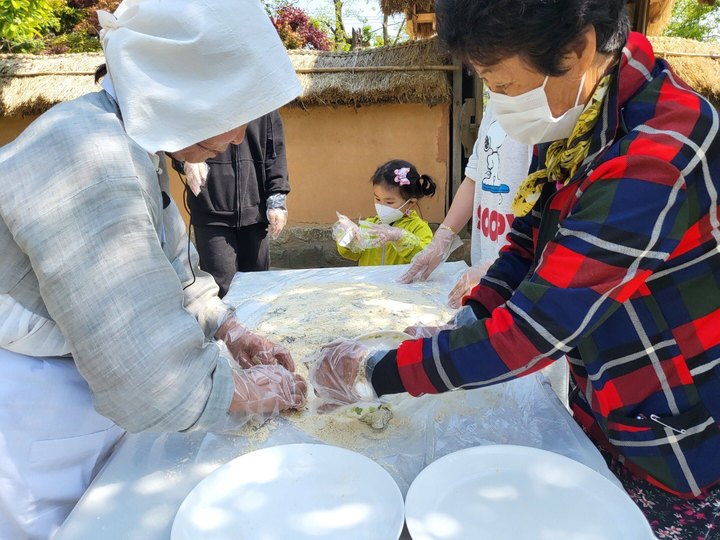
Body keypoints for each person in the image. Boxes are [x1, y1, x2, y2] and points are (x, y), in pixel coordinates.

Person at [310, 0, 720, 535]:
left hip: (673, 424)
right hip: (605, 395)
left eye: (502, 85)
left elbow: (535, 330)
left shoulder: (658, 148)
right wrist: (468, 318)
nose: (499, 105)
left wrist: (372, 373)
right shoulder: (585, 116)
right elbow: (528, 244)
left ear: (579, 50)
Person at [0, 1, 308, 537]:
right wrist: (251, 392)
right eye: (235, 113)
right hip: (31, 405)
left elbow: (174, 268)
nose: (239, 137)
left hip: (72, 382)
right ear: (182, 87)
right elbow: (143, 371)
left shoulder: (124, 140)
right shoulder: (88, 156)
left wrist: (229, 329)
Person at [400, 108, 532, 307]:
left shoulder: (545, 114)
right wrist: (442, 239)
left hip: (523, 272)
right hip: (486, 267)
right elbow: (473, 178)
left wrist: (499, 267)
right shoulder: (493, 108)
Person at [171, 111, 290, 297]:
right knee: (221, 289)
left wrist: (277, 197)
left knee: (258, 290)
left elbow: (275, 153)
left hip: (255, 214)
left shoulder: (264, 105)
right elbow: (175, 138)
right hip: (210, 213)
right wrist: (186, 162)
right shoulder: (203, 96)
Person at [333, 159, 437, 266]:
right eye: (377, 199)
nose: (382, 206)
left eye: (389, 202)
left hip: (399, 282)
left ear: (410, 202)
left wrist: (401, 237)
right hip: (370, 282)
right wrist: (348, 236)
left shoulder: (419, 228)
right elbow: (352, 254)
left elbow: (425, 259)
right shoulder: (370, 225)